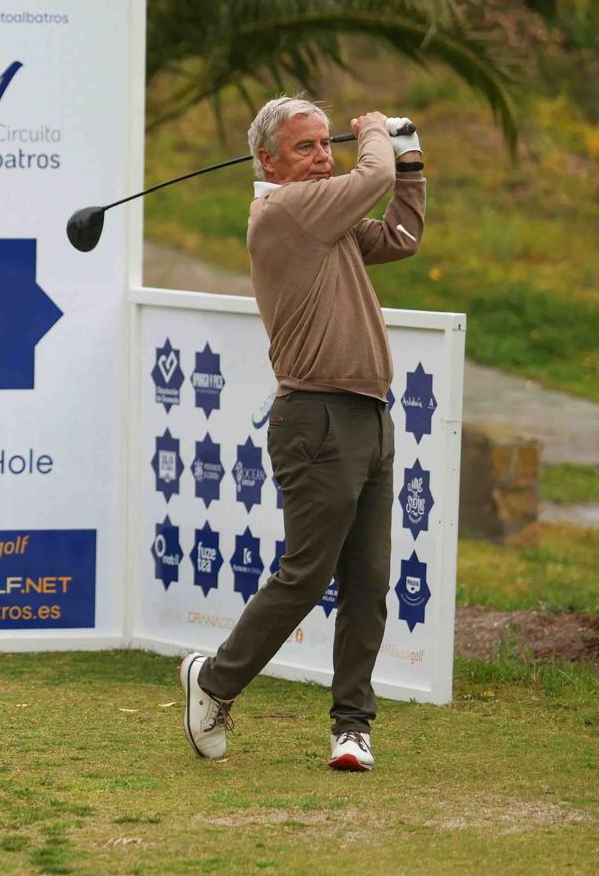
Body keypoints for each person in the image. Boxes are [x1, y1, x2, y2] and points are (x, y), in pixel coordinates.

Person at [181, 96, 425, 771]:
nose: (323, 157)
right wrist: (376, 133)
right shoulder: (285, 211)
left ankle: (352, 726)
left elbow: (401, 235)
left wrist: (412, 166)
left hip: (369, 417)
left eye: (328, 144)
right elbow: (369, 181)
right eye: (305, 148)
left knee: (369, 580)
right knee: (306, 574)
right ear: (266, 163)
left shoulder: (326, 217)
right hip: (315, 419)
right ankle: (215, 682)